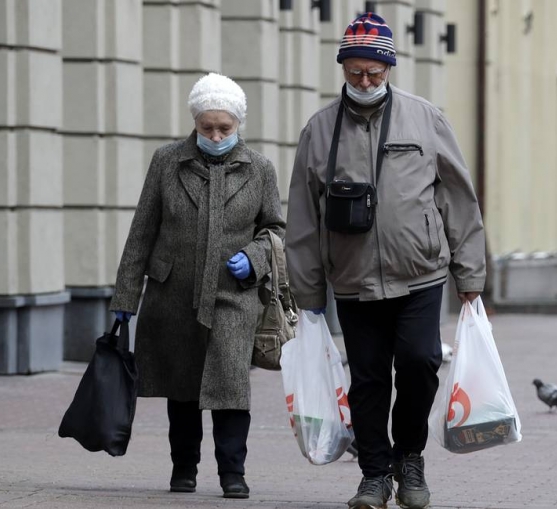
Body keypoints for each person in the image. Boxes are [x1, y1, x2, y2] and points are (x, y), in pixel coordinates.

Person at [284, 12, 485, 509]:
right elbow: (304, 217)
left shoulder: (425, 118)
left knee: (420, 362)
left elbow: (458, 198)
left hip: (420, 272)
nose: (366, 82)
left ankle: (409, 458)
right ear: (343, 70)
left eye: (374, 72)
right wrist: (307, 292)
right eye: (355, 73)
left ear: (389, 68)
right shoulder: (319, 130)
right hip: (352, 280)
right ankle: (374, 474)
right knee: (369, 379)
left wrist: (470, 271)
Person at [109, 73, 285, 498]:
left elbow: (275, 229)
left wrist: (257, 258)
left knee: (230, 387)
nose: (216, 135)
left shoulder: (259, 169)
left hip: (233, 295)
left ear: (238, 124)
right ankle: (183, 469)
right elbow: (142, 231)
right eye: (207, 127)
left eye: (224, 127)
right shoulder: (167, 162)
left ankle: (233, 474)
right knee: (182, 386)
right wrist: (126, 297)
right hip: (173, 294)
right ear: (195, 122)